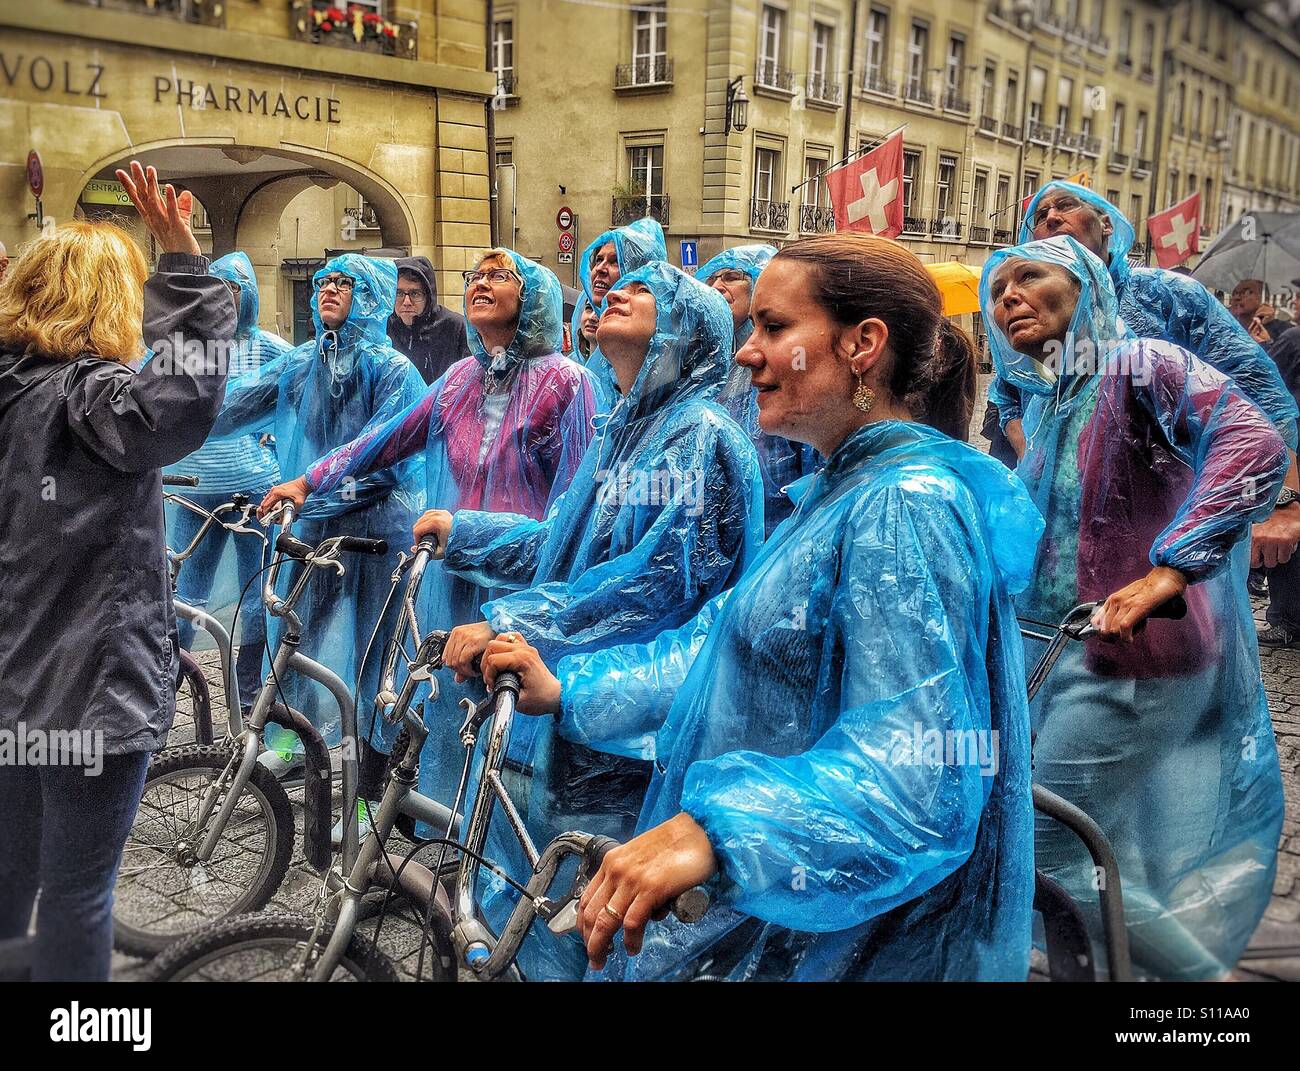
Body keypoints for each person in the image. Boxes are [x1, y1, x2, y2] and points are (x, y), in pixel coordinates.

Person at [479, 233, 1039, 981]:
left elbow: (916, 772)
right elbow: (724, 646)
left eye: (774, 328)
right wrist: (574, 688)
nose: (748, 353)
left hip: (844, 947)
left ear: (862, 345)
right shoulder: (841, 492)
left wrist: (721, 830)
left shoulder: (902, 507)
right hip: (782, 924)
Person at [419, 260, 764, 980]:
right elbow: (556, 548)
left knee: (591, 926)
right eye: (615, 287)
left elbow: (651, 587)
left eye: (645, 292)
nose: (618, 294)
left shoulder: (700, 436)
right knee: (542, 906)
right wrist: (465, 531)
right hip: (563, 710)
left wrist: (520, 623)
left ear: (690, 328)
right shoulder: (621, 430)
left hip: (627, 733)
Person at [981, 235, 1288, 980]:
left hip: (1137, 658)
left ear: (1087, 285)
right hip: (1077, 653)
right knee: (1092, 845)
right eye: (999, 287)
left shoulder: (1139, 361)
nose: (1007, 296)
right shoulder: (1059, 394)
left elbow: (1252, 439)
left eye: (1031, 276)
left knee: (1046, 844)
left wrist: (1169, 570)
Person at [0, 163, 235, 980]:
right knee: (77, 893)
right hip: (88, 691)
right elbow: (178, 406)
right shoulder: (86, 396)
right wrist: (184, 269)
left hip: (15, 688)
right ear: (112, 302)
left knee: (9, 882)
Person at [259, 250, 594, 813]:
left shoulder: (567, 385)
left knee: (504, 719)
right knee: (433, 705)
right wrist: (308, 480)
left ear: (532, 295)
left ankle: (487, 866)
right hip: (449, 572)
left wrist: (488, 541)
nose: (481, 284)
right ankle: (419, 840)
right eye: (475, 276)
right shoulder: (461, 379)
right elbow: (386, 439)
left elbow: (573, 517)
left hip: (520, 587)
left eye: (498, 275)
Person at [1003, 182, 1300, 579]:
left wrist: (1281, 499)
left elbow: (1256, 392)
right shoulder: (1035, 315)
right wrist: (1039, 466)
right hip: (1067, 539)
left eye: (1067, 206)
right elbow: (1009, 397)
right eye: (1039, 216)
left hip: (1172, 520)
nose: (1052, 217)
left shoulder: (1168, 296)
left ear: (1106, 223)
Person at [208, 254, 426, 776]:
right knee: (295, 635)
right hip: (313, 524)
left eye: (343, 283)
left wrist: (315, 488)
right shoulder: (303, 361)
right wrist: (167, 419)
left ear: (370, 295)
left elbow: (388, 458)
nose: (329, 289)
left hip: (379, 531)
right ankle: (291, 742)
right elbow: (234, 406)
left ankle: (372, 774)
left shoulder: (394, 370)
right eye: (324, 281)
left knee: (376, 652)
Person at [163, 252, 291, 714]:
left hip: (258, 492)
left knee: (258, 591)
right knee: (182, 590)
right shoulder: (188, 350)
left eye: (234, 290)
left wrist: (275, 446)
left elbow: (295, 403)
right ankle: (169, 684)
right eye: (216, 289)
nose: (225, 299)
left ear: (249, 294)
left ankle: (251, 691)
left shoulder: (273, 348)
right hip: (195, 489)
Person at [700, 243, 819, 536]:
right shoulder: (706, 365)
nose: (717, 285)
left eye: (730, 276)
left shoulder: (796, 371)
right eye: (712, 278)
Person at [573, 218, 668, 414]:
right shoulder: (593, 359)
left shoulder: (654, 345)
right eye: (598, 260)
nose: (600, 268)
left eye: (615, 261)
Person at [1258, 281, 1300, 648]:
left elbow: (1268, 383)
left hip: (1292, 449)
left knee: (1287, 546)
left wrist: (1259, 349)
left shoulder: (1294, 337)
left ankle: (1285, 619)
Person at [386, 255, 470, 386]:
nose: (406, 302)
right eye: (399, 293)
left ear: (429, 296)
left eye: (415, 294)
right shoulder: (384, 328)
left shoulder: (455, 327)